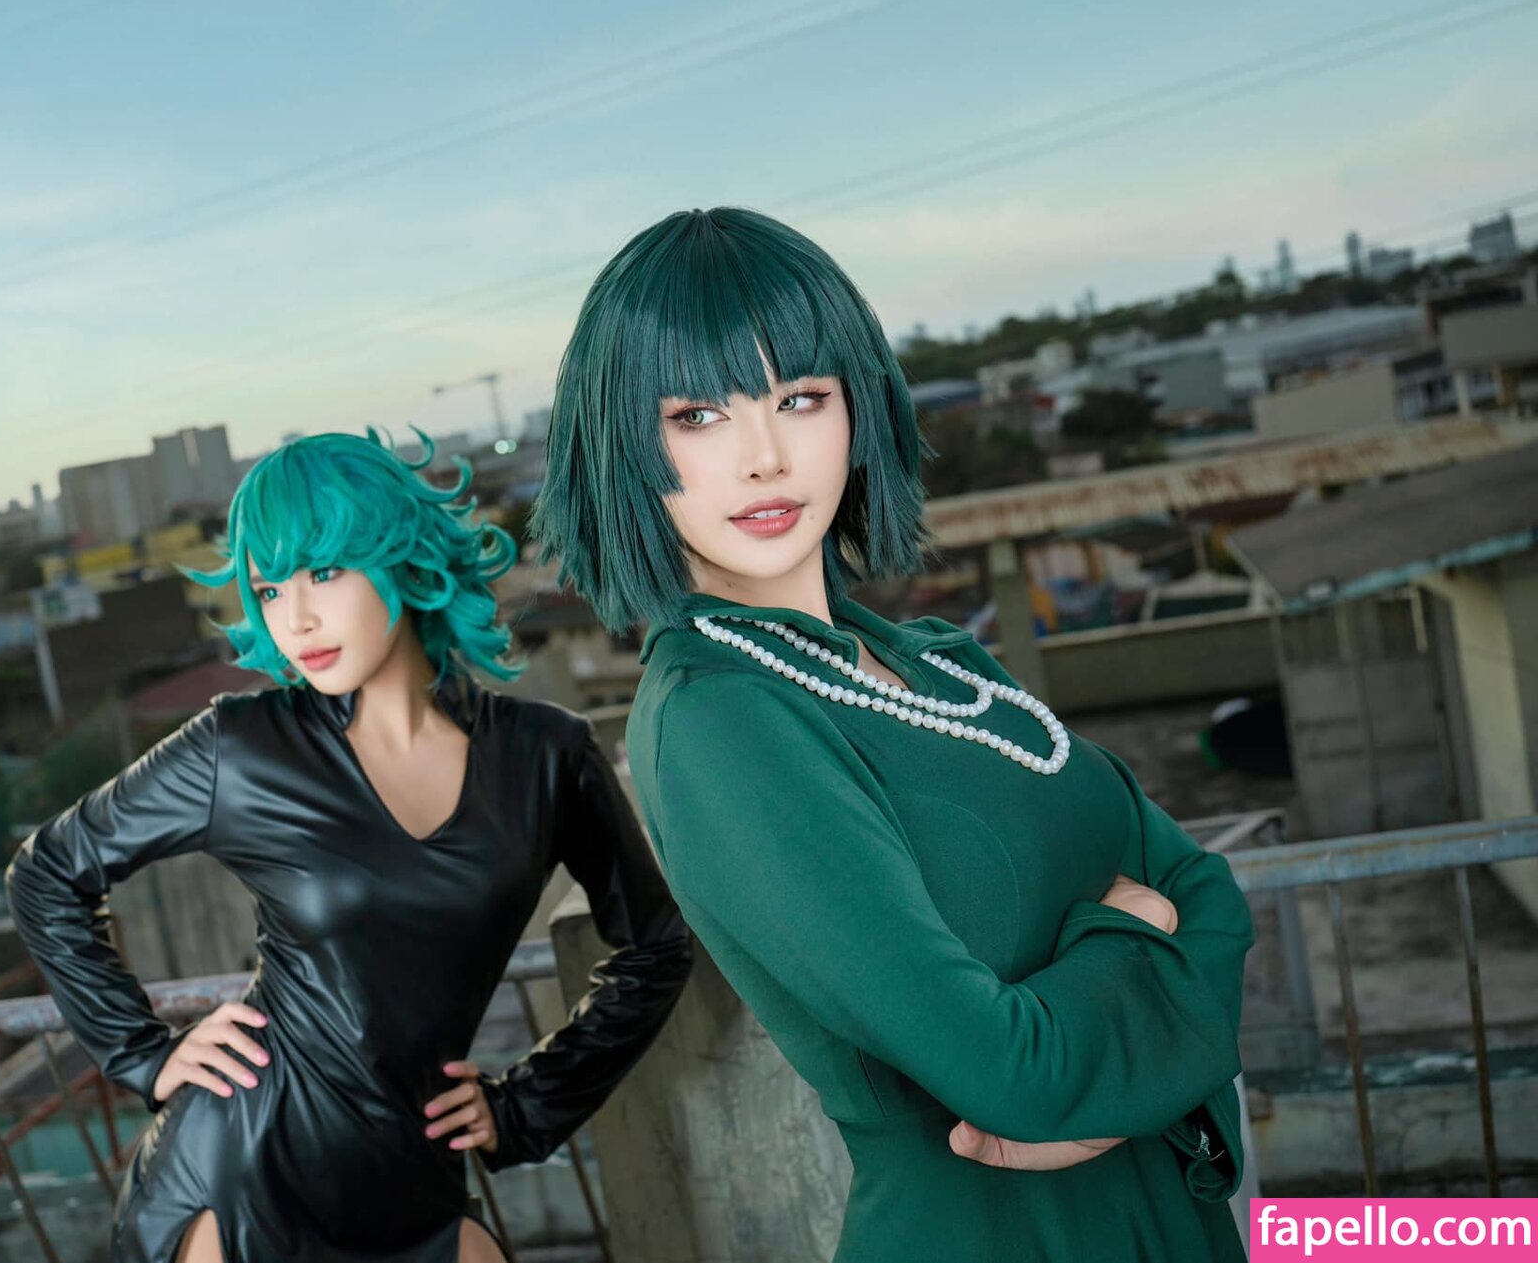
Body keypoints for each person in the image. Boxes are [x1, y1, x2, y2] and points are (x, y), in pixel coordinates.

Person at [529, 207, 1254, 1262]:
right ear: (624, 445)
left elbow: (1211, 895)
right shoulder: (720, 720)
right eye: (698, 415)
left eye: (800, 398)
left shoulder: (941, 660)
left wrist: (1099, 1078)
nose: (765, 456)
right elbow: (1010, 1076)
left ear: (856, 407)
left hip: (1161, 1222)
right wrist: (1135, 939)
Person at [7, 427, 693, 1263]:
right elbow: (46, 873)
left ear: (403, 557)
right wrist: (144, 1053)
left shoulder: (546, 756)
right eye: (270, 587)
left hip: (416, 1177)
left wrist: (525, 1104)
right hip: (240, 1173)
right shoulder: (244, 748)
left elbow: (656, 945)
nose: (295, 617)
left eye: (325, 572)